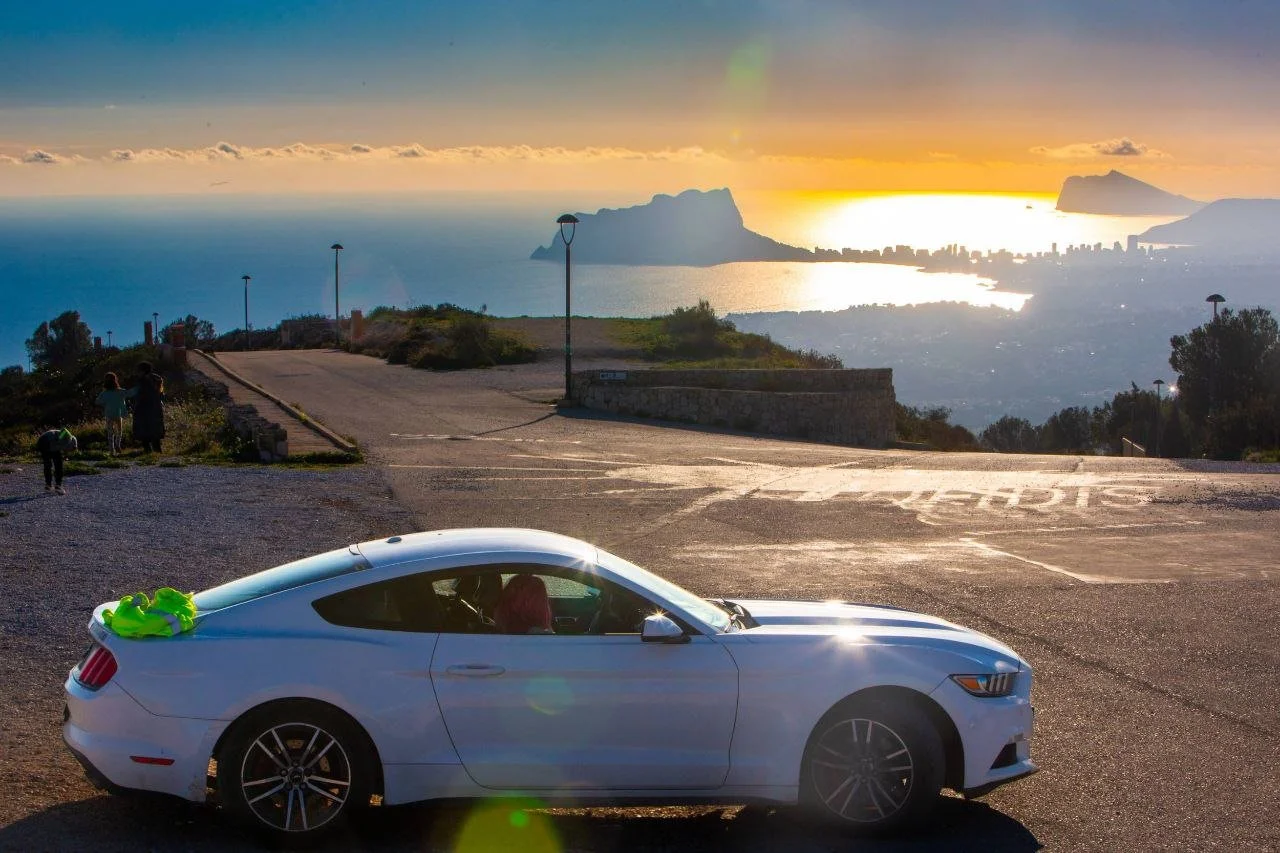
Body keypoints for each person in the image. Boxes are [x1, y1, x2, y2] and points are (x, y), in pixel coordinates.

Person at [125, 361, 166, 453]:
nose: (137, 373)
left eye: (138, 371)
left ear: (142, 371)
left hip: (143, 409)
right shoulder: (157, 379)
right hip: (156, 408)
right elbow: (161, 395)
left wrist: (124, 394)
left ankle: (148, 451)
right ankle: (158, 451)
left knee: (144, 431)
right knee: (155, 431)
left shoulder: (143, 381)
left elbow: (137, 393)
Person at [36, 428, 77, 495]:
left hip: (42, 442)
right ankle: (58, 486)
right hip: (47, 441)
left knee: (48, 465)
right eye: (73, 448)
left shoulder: (63, 444)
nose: (71, 451)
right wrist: (58, 439)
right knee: (58, 465)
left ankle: (48, 486)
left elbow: (59, 445)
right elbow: (63, 430)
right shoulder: (69, 438)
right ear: (73, 444)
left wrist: (57, 441)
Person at [95, 372, 129, 454]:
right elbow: (123, 403)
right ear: (115, 380)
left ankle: (111, 450)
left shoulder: (104, 393)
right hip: (118, 413)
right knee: (119, 431)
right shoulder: (120, 391)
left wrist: (105, 403)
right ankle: (117, 444)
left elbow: (97, 401)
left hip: (109, 413)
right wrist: (124, 413)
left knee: (110, 433)